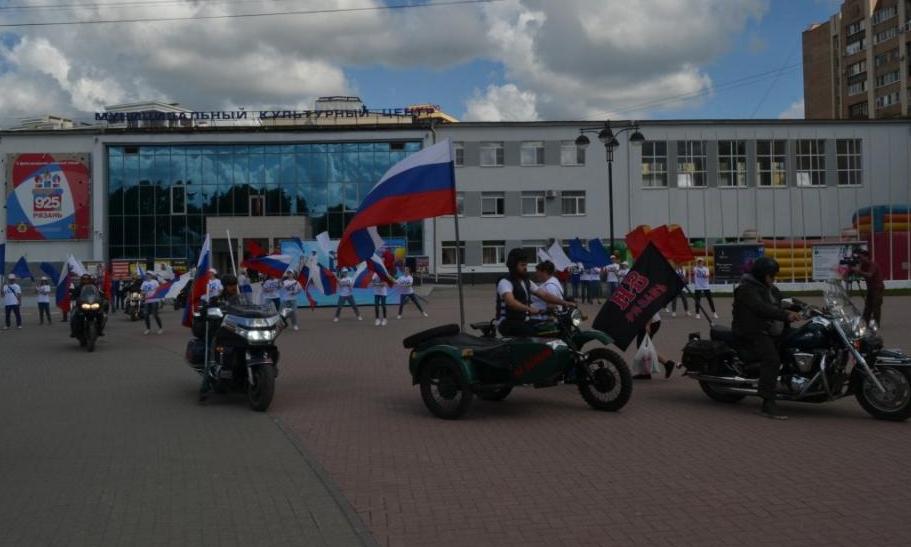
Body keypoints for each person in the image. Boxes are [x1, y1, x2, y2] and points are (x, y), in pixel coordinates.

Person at [731, 257, 801, 420]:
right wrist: (785, 315)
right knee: (772, 360)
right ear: (762, 274)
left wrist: (807, 307)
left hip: (770, 330)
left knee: (797, 340)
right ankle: (767, 404)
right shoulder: (746, 289)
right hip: (752, 331)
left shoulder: (770, 288)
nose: (773, 279)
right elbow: (761, 308)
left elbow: (785, 301)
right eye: (771, 275)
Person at [497, 248, 575, 337]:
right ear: (513, 265)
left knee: (551, 328)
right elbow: (510, 302)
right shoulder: (505, 282)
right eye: (522, 265)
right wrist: (529, 309)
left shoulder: (526, 281)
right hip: (508, 322)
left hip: (523, 320)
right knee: (534, 336)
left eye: (526, 265)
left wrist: (565, 303)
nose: (525, 268)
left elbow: (544, 295)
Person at [198, 274, 242, 403]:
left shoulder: (240, 299)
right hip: (221, 334)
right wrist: (206, 311)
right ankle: (204, 389)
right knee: (212, 359)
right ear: (225, 286)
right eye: (231, 285)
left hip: (237, 333)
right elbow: (205, 311)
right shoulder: (217, 300)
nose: (233, 287)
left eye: (235, 285)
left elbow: (249, 310)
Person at [633, 312, 676, 380]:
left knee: (643, 347)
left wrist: (648, 324)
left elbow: (649, 309)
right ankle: (646, 373)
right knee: (644, 347)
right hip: (651, 322)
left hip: (650, 322)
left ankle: (667, 363)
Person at [852, 248, 884, 326]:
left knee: (875, 306)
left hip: (877, 288)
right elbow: (858, 274)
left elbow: (869, 275)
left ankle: (876, 323)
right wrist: (857, 266)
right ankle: (865, 322)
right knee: (868, 306)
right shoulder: (863, 265)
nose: (860, 259)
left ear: (866, 257)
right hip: (870, 288)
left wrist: (859, 271)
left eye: (861, 257)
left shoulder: (873, 264)